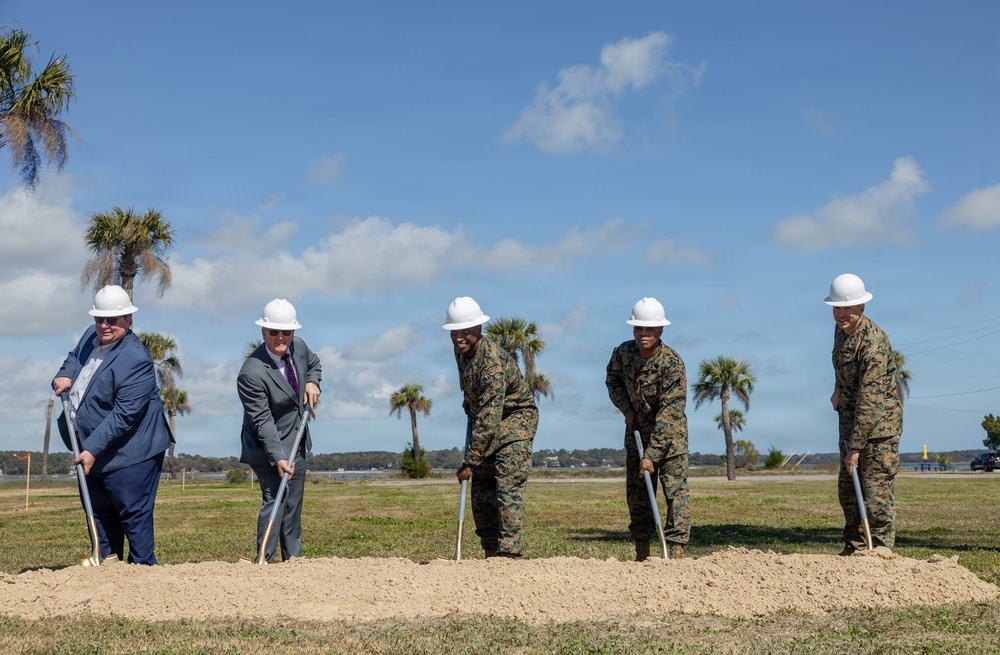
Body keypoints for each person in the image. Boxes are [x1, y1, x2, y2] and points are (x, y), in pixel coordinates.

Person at [52, 285, 173, 565]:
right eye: (99, 319)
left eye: (112, 320)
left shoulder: (136, 359)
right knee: (99, 514)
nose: (104, 325)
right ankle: (108, 570)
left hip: (132, 452)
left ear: (128, 319)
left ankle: (142, 573)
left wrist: (91, 450)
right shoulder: (90, 334)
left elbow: (125, 415)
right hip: (89, 445)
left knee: (133, 515)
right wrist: (64, 375)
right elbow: (74, 357)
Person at [444, 297, 538, 558]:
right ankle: (490, 552)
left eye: (465, 332)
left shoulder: (493, 365)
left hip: (514, 420)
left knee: (506, 487)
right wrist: (468, 397)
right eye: (454, 332)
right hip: (487, 416)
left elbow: (490, 417)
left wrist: (469, 462)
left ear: (478, 330)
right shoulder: (459, 351)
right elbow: (467, 379)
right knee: (482, 491)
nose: (459, 337)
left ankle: (509, 554)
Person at [606, 297, 689, 561]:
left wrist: (651, 456)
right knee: (638, 495)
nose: (644, 334)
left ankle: (674, 550)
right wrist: (626, 409)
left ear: (660, 331)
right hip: (637, 434)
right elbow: (613, 380)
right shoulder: (623, 353)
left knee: (675, 493)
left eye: (649, 329)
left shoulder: (672, 364)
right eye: (639, 328)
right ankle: (642, 552)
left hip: (670, 439)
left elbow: (670, 413)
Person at [238, 298, 322, 562]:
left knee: (292, 504)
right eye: (274, 332)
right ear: (263, 332)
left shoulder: (299, 348)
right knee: (276, 498)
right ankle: (264, 560)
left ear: (294, 332)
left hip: (296, 439)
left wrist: (312, 381)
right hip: (266, 446)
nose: (280, 337)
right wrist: (279, 457)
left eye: (286, 331)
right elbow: (262, 421)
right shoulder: (251, 373)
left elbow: (314, 363)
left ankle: (293, 560)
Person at [825, 274, 902, 554]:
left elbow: (871, 399)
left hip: (879, 427)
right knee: (848, 489)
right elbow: (842, 368)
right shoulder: (840, 331)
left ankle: (881, 551)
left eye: (847, 308)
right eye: (837, 308)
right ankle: (854, 548)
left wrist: (856, 448)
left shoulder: (874, 344)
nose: (841, 314)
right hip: (849, 420)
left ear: (862, 308)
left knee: (875, 491)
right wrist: (837, 390)